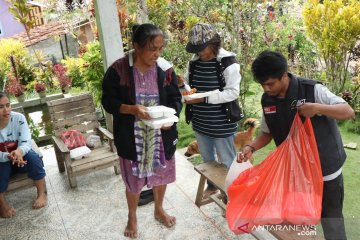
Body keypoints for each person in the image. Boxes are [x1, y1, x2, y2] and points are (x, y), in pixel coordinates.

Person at [238, 50, 355, 240]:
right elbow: (267, 133)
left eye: (270, 83)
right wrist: (250, 147)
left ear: (284, 75)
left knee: (331, 220)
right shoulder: (267, 100)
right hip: (295, 172)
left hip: (326, 170)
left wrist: (317, 108)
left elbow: (348, 111)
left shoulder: (312, 90)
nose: (266, 89)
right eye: (262, 85)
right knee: (300, 219)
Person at [101, 23, 182, 238]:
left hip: (160, 134)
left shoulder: (165, 69)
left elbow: (176, 98)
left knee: (160, 174)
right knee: (134, 180)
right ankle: (132, 215)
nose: (157, 54)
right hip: (131, 136)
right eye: (151, 49)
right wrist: (131, 109)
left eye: (160, 48)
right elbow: (108, 101)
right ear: (136, 46)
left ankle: (158, 209)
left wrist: (170, 118)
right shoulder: (119, 70)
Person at [183, 23, 241, 197]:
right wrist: (182, 87)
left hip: (222, 123)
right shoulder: (193, 63)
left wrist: (204, 98)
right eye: (197, 49)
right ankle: (212, 185)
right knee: (207, 159)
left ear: (214, 43)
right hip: (200, 121)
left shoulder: (227, 62)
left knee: (228, 160)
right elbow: (190, 87)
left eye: (202, 48)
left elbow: (232, 92)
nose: (200, 53)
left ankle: (232, 194)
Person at [0, 92, 47, 218]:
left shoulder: (19, 118)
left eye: (8, 105)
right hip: (2, 159)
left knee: (34, 158)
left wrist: (19, 152)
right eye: (1, 107)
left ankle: (42, 193)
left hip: (21, 154)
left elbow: (26, 141)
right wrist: (8, 156)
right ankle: (2, 205)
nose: (6, 110)